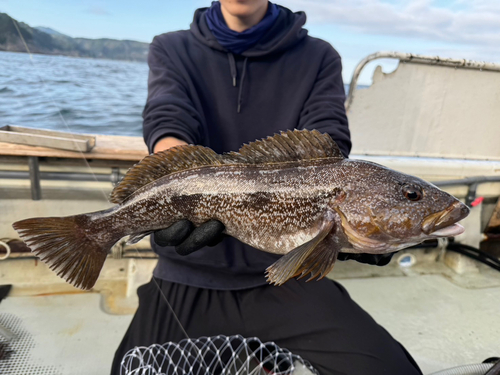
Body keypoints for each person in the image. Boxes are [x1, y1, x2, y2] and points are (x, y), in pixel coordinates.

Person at [111, 1, 422, 374]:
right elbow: (168, 115)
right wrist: (176, 195)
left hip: (290, 274)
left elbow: (327, 143)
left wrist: (359, 231)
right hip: (189, 270)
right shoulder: (171, 47)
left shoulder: (319, 56)